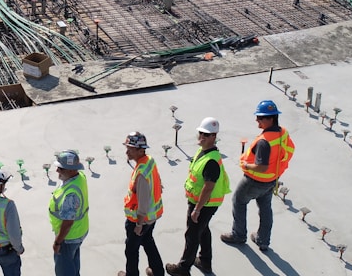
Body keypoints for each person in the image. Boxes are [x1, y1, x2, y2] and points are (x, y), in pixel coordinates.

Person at [221, 100, 296, 252]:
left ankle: (238, 235)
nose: (257, 120)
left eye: (260, 118)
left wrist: (246, 165)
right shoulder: (282, 133)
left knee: (238, 201)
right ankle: (263, 240)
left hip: (255, 181)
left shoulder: (264, 142)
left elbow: (261, 167)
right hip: (272, 180)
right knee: (265, 208)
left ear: (271, 119)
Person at [166, 118, 230, 275]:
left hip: (204, 204)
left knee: (192, 234)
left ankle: (183, 268)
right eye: (201, 133)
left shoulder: (211, 161)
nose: (202, 137)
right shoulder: (203, 151)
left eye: (206, 135)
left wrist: (197, 210)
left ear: (214, 136)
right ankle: (205, 261)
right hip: (200, 201)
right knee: (203, 229)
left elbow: (208, 188)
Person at [120, 132, 164, 276]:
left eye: (130, 149)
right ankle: (158, 272)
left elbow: (143, 202)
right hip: (152, 217)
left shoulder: (141, 174)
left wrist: (138, 225)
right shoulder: (149, 161)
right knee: (148, 242)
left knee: (131, 250)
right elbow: (157, 180)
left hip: (139, 220)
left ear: (140, 150)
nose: (127, 151)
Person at [49, 149, 89, 276]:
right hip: (79, 232)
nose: (57, 171)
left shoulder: (70, 194)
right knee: (72, 266)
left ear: (71, 170)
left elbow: (67, 222)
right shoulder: (79, 177)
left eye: (61, 168)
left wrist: (57, 242)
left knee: (64, 271)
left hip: (69, 237)